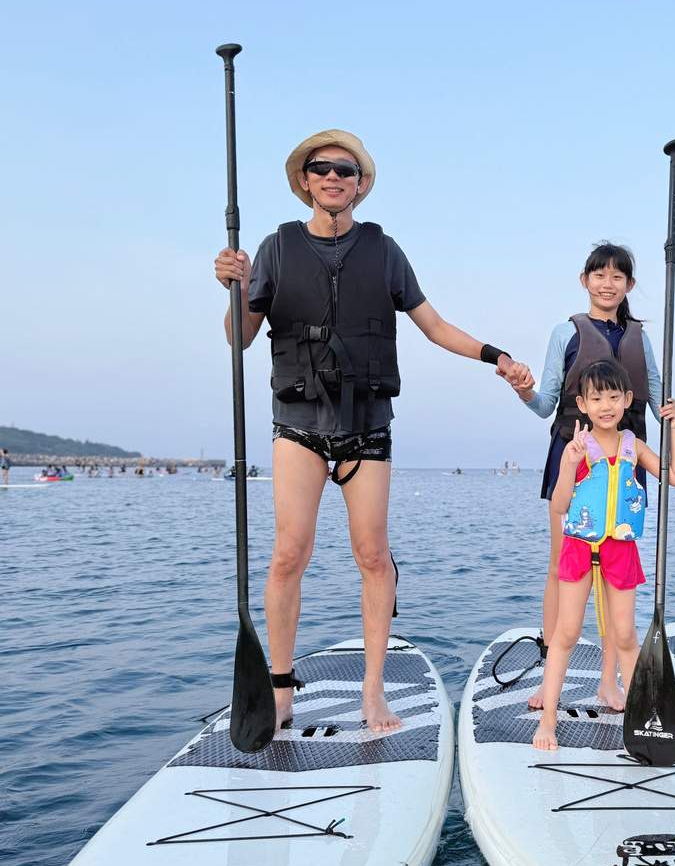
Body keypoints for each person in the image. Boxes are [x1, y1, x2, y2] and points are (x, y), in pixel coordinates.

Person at [213, 129, 532, 732]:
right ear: (305, 180)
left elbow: (434, 326)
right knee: (288, 554)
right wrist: (234, 288)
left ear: (360, 184)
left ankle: (373, 688)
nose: (333, 177)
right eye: (321, 168)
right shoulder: (275, 250)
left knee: (372, 554)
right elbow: (241, 337)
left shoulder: (384, 251)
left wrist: (497, 356)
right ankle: (280, 688)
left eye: (346, 169)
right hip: (299, 425)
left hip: (367, 427)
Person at [505, 242, 675, 711]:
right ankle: (548, 673)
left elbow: (663, 405)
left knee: (615, 568)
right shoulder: (566, 332)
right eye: (599, 274)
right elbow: (544, 405)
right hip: (575, 451)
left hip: (628, 456)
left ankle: (608, 681)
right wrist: (523, 391)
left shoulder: (641, 338)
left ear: (629, 286)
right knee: (565, 566)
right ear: (585, 280)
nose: (607, 283)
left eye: (617, 276)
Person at [532, 360, 675, 750]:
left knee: (626, 635)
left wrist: (674, 430)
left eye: (613, 397)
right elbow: (560, 505)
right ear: (582, 404)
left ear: (627, 400)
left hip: (621, 551)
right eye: (596, 398)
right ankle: (548, 719)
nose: (606, 405)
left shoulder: (636, 446)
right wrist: (568, 464)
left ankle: (641, 718)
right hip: (579, 548)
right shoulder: (580, 448)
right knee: (566, 633)